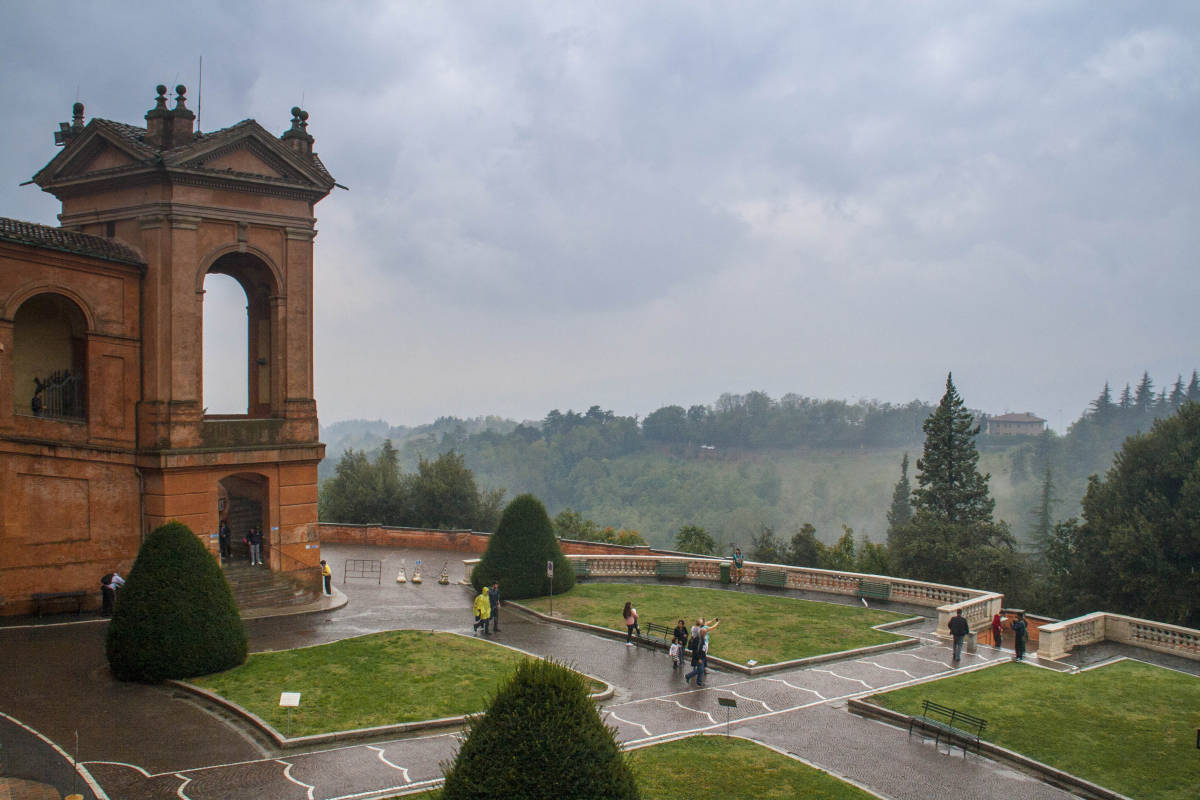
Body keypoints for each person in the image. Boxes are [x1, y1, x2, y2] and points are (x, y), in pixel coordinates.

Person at [685, 618, 720, 687]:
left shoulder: (700, 635)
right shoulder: (699, 640)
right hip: (700, 657)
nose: (706, 633)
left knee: (701, 669)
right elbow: (698, 650)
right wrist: (700, 658)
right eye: (705, 632)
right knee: (700, 669)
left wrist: (713, 620)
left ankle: (699, 682)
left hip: (702, 655)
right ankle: (689, 676)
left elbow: (707, 623)